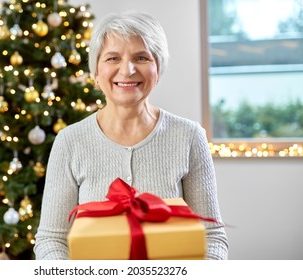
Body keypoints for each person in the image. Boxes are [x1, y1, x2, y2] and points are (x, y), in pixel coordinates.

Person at [34, 10, 228, 260]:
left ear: (158, 69)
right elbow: (51, 240)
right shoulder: (69, 141)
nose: (127, 70)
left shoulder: (189, 136)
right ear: (96, 72)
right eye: (113, 58)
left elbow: (213, 236)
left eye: (141, 57)